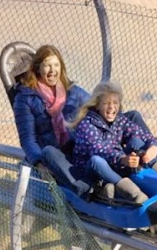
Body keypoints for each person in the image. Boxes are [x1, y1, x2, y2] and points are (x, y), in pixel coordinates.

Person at [70, 80, 157, 204]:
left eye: (115, 102)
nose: (111, 107)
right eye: (106, 103)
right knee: (97, 160)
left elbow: (141, 134)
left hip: (115, 163)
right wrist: (122, 158)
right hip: (91, 171)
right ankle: (134, 194)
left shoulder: (120, 120)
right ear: (97, 105)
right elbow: (99, 150)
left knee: (137, 142)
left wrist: (153, 146)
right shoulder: (87, 124)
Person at [11, 45, 95, 197]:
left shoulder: (72, 91)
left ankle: (145, 164)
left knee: (131, 116)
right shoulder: (26, 98)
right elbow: (28, 139)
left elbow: (95, 106)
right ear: (37, 68)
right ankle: (86, 190)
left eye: (56, 65)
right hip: (55, 157)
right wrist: (38, 163)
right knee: (49, 152)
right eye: (47, 65)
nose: (52, 70)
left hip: (77, 150)